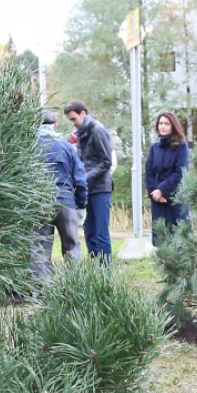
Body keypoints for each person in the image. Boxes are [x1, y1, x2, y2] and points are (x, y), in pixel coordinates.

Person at [32, 111, 87, 284]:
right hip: (65, 201)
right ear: (55, 124)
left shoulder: (30, 146)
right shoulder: (66, 145)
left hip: (39, 203)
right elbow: (80, 178)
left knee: (40, 250)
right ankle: (76, 287)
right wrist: (80, 203)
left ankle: (41, 294)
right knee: (72, 248)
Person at [65, 101, 114, 263]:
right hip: (88, 190)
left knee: (101, 232)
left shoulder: (98, 131)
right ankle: (95, 268)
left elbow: (106, 162)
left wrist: (85, 178)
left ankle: (105, 271)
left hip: (101, 189)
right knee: (89, 230)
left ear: (83, 114)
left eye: (74, 119)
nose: (73, 123)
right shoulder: (81, 135)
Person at [145, 111, 191, 248]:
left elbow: (180, 172)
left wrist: (162, 190)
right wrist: (155, 193)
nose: (163, 126)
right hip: (158, 201)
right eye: (160, 123)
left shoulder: (181, 146)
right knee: (161, 241)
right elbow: (149, 173)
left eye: (166, 123)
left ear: (173, 126)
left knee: (179, 240)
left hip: (175, 200)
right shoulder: (154, 148)